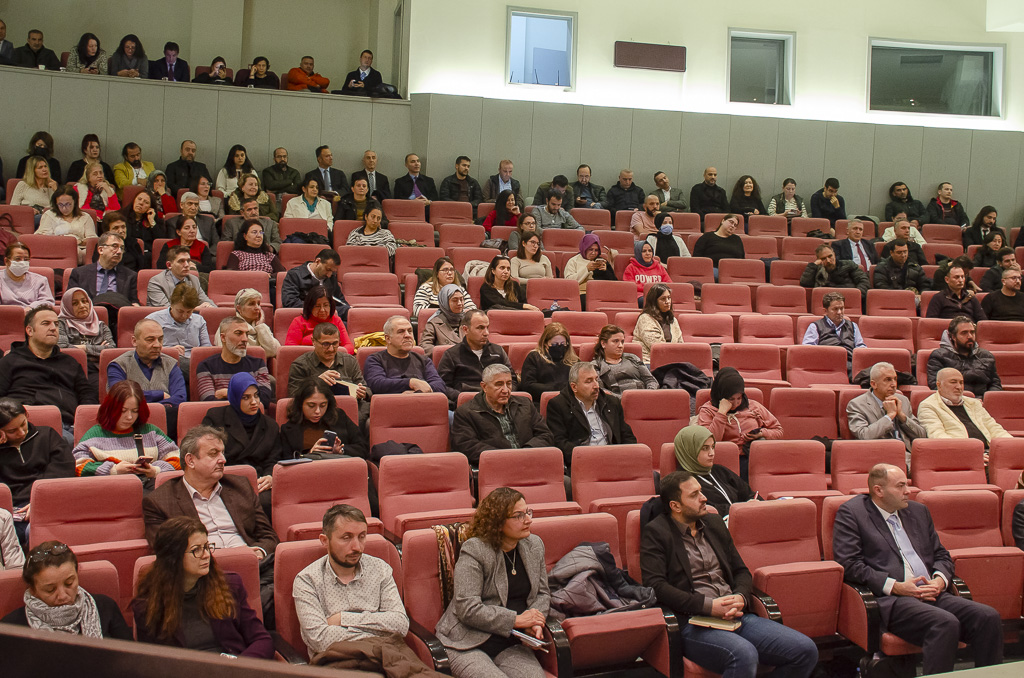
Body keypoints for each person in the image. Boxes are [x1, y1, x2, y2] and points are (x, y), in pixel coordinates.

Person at [642, 470, 819, 678]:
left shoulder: (714, 523)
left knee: (805, 650)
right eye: (694, 495)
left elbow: (741, 571)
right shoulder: (656, 533)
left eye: (701, 491)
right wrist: (709, 606)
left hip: (736, 614)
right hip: (694, 622)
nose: (704, 498)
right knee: (744, 654)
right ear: (675, 506)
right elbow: (656, 587)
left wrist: (741, 597)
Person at [832, 464, 1002, 675]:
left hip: (931, 592)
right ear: (878, 490)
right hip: (893, 600)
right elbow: (849, 564)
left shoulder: (918, 511)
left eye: (907, 484)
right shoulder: (853, 513)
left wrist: (940, 580)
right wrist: (896, 587)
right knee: (944, 623)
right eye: (901, 486)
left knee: (988, 617)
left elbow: (941, 555)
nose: (908, 491)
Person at [293, 504, 444, 675]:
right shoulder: (307, 580)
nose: (357, 547)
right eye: (346, 538)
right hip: (338, 663)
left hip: (390, 657)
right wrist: (378, 630)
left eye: (362, 536)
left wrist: (343, 619)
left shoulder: (380, 569)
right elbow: (321, 640)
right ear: (324, 540)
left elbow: (400, 624)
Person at [142, 426, 278, 613]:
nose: (223, 459)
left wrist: (259, 553)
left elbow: (268, 536)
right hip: (205, 576)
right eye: (213, 454)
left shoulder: (240, 487)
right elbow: (168, 552)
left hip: (256, 568)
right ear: (190, 460)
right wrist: (224, 558)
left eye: (222, 452)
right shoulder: (159, 502)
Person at [436, 487, 550, 678]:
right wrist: (516, 620)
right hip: (466, 642)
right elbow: (467, 608)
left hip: (511, 642)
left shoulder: (534, 545)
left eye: (528, 512)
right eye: (518, 516)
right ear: (497, 523)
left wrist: (536, 621)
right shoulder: (475, 550)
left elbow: (542, 593)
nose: (528, 520)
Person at [133, 516, 273, 658]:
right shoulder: (148, 606)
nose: (206, 555)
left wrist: (238, 667)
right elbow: (152, 664)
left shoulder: (230, 585)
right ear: (173, 557)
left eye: (207, 547)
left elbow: (262, 640)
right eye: (196, 550)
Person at [0, 306, 97, 442]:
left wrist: (81, 422)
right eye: (46, 323)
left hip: (68, 424)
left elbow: (87, 394)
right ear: (29, 330)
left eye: (56, 324)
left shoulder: (70, 362)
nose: (53, 328)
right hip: (27, 425)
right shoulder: (10, 361)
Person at [1, 541, 131, 638]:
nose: (63, 596)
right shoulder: (11, 627)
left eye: (69, 583)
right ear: (33, 590)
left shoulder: (105, 607)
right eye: (50, 590)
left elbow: (131, 663)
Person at [72, 380, 180, 484]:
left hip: (151, 489)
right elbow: (77, 466)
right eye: (123, 411)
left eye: (135, 411)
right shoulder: (94, 434)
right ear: (111, 409)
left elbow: (179, 459)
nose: (129, 417)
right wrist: (113, 470)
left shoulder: (151, 432)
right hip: (111, 491)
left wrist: (156, 471)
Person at [202, 373, 282, 512]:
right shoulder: (215, 417)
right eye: (246, 397)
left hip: (258, 481)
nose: (254, 402)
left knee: (267, 502)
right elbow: (208, 454)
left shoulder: (270, 425)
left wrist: (269, 476)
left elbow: (273, 459)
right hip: (225, 479)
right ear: (235, 397)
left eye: (256, 395)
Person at [0, 398, 75, 542]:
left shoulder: (47, 435)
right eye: (12, 431)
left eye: (23, 424)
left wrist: (40, 500)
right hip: (13, 509)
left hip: (50, 499)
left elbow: (63, 468)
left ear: (27, 414)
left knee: (36, 530)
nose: (21, 432)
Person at [451, 364, 553, 465]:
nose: (505, 390)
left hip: (531, 461)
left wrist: (526, 451)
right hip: (496, 466)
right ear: (484, 386)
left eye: (508, 384)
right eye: (499, 384)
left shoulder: (525, 404)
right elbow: (467, 446)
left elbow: (545, 435)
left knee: (565, 481)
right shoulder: (466, 412)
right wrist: (505, 457)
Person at [546, 361, 637, 470]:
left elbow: (626, 435)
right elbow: (560, 442)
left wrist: (627, 457)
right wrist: (587, 458)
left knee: (652, 476)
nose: (596, 386)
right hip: (583, 464)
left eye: (596, 379)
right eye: (589, 381)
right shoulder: (558, 405)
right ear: (574, 387)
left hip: (614, 460)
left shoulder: (611, 402)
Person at [696, 367, 783, 474]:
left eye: (739, 398)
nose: (736, 403)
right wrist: (721, 413)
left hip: (752, 458)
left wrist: (761, 433)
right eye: (731, 399)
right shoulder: (708, 410)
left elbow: (778, 430)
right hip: (724, 462)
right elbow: (709, 442)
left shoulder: (753, 406)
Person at [847, 362, 926, 468]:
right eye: (888, 380)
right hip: (881, 456)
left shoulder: (903, 400)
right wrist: (889, 416)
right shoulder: (857, 404)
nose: (893, 384)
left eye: (895, 379)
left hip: (909, 455)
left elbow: (921, 435)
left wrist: (902, 416)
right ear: (873, 384)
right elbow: (864, 436)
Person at [107, 319, 187, 417]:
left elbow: (180, 398)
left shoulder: (170, 364)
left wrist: (143, 406)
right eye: (150, 340)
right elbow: (121, 396)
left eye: (160, 339)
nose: (157, 345)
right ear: (134, 341)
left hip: (166, 419)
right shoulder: (118, 365)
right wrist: (159, 395)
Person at [438, 310, 517, 409]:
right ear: (465, 330)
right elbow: (442, 386)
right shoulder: (451, 355)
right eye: (480, 328)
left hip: (498, 403)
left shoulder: (498, 351)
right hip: (467, 405)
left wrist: (502, 394)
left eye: (487, 327)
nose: (486, 333)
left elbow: (513, 380)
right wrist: (461, 397)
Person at [672, 426, 755, 518]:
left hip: (743, 519)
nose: (712, 453)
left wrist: (755, 503)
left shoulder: (719, 470)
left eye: (712, 447)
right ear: (689, 450)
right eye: (705, 448)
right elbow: (701, 510)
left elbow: (749, 494)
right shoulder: (680, 481)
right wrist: (742, 508)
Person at [287, 322, 369, 412]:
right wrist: (317, 383)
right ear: (313, 341)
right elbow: (294, 397)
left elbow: (366, 389)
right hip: (317, 412)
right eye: (325, 344)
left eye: (335, 343)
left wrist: (363, 393)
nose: (331, 349)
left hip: (348, 410)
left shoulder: (350, 361)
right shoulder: (300, 365)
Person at [918, 368, 1011, 447]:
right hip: (960, 454)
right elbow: (938, 437)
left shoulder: (973, 403)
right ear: (939, 385)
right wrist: (972, 453)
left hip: (989, 451)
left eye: (961, 382)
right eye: (953, 382)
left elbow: (994, 428)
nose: (959, 387)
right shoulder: (928, 406)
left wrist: (1010, 445)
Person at [279, 379, 367, 460]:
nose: (318, 411)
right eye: (311, 405)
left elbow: (363, 448)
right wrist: (309, 454)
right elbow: (285, 463)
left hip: (339, 469)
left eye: (323, 405)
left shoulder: (339, 417)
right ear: (300, 404)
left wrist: (341, 450)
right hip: (307, 473)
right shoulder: (289, 429)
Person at [196, 317, 272, 406]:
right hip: (222, 419)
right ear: (223, 337)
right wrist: (250, 397)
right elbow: (209, 402)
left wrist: (228, 393)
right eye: (238, 333)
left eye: (246, 334)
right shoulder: (206, 366)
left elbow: (265, 399)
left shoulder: (258, 364)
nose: (245, 339)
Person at [364, 315, 446, 395]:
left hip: (423, 404)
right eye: (401, 332)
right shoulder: (375, 360)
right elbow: (376, 385)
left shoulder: (424, 360)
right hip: (391, 406)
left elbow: (440, 386)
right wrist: (410, 383)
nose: (407, 335)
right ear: (388, 339)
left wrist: (416, 393)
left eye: (410, 331)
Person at [926, 316, 1000, 397]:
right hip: (954, 402)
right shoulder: (939, 356)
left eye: (972, 332)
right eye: (964, 333)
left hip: (982, 403)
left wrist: (987, 400)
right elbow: (936, 386)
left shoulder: (986, 356)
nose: (970, 336)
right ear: (953, 337)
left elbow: (995, 384)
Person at [146, 285, 211, 376]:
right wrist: (169, 351)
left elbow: (206, 349)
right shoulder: (153, 320)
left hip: (193, 361)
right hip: (164, 361)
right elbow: (144, 349)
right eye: (180, 311)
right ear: (172, 305)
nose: (184, 316)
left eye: (189, 312)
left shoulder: (199, 321)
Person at [56, 287, 114, 389]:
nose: (82, 306)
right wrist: (97, 350)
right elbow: (63, 348)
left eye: (84, 301)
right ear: (67, 307)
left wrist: (83, 348)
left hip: (96, 368)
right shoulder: (61, 323)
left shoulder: (101, 326)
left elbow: (111, 350)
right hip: (70, 367)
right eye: (75, 303)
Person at [68, 231, 140, 305]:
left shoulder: (130, 276)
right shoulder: (79, 274)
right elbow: (71, 302)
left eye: (122, 248)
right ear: (101, 250)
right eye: (114, 246)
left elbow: (134, 302)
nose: (119, 251)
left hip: (117, 313)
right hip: (89, 314)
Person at [801, 291, 866, 370]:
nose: (839, 312)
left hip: (850, 364)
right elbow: (808, 350)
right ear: (825, 311)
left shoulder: (853, 326)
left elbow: (861, 348)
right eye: (835, 309)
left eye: (841, 308)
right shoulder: (815, 327)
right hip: (827, 364)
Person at [520, 322, 579, 403]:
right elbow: (527, 385)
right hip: (540, 402)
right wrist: (556, 388)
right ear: (545, 343)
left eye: (562, 344)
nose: (559, 347)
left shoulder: (574, 360)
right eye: (554, 344)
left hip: (569, 402)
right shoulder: (534, 357)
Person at [592, 324, 657, 395]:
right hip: (616, 402)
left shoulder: (632, 358)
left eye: (622, 342)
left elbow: (650, 380)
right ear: (603, 344)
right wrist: (624, 399)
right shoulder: (596, 365)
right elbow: (600, 390)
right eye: (615, 341)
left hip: (643, 397)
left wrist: (649, 394)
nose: (620, 346)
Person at [286, 285, 354, 353]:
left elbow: (348, 346)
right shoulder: (298, 322)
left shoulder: (337, 320)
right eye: (317, 306)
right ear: (310, 306)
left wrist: (332, 354)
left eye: (326, 305)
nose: (322, 310)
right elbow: (290, 349)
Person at [148, 245, 216, 308]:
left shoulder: (193, 279)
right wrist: (196, 309)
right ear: (169, 265)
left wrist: (209, 307)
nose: (187, 265)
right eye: (181, 261)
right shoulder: (157, 282)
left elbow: (208, 302)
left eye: (188, 261)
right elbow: (165, 310)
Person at [221, 288, 279, 359]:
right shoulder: (227, 327)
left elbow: (274, 351)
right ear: (239, 308)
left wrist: (260, 325)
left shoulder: (262, 327)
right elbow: (237, 354)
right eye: (251, 304)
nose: (257, 308)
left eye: (258, 304)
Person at [281, 249, 346, 311]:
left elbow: (341, 303)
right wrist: (318, 308)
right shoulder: (295, 275)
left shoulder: (331, 278)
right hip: (304, 317)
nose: (329, 275)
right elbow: (290, 303)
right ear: (318, 261)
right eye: (328, 269)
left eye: (333, 272)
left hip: (329, 317)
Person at [563, 232, 617, 305]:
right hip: (581, 293)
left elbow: (614, 284)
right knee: (586, 301)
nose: (593, 253)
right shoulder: (573, 261)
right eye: (590, 249)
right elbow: (569, 282)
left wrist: (606, 272)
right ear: (584, 248)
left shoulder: (602, 261)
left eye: (596, 250)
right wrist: (587, 269)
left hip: (600, 293)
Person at [633, 283, 682, 364]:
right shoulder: (645, 318)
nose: (667, 302)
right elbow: (657, 346)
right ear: (654, 302)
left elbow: (680, 344)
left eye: (669, 298)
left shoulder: (673, 320)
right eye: (663, 299)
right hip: (649, 362)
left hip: (671, 361)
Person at [800, 243, 869, 296]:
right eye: (824, 258)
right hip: (826, 300)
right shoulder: (816, 269)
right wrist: (813, 266)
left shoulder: (849, 265)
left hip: (849, 298)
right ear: (819, 260)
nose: (828, 261)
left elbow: (864, 281)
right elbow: (805, 283)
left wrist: (855, 295)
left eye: (830, 256)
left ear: (834, 254)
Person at [0, 241, 54, 308]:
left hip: (32, 314)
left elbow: (48, 302)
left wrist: (31, 308)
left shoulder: (40, 280)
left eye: (26, 259)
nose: (22, 262)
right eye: (18, 259)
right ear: (7, 261)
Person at [419, 284, 465, 357]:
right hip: (445, 363)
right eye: (455, 300)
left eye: (461, 299)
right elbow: (425, 347)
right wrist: (445, 353)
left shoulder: (469, 320)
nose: (459, 303)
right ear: (445, 302)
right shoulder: (433, 323)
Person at [119, 188, 164, 255]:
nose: (141, 203)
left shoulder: (157, 222)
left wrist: (152, 221)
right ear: (134, 200)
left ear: (150, 207)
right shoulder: (120, 217)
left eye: (146, 202)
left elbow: (160, 243)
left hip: (146, 255)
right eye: (139, 199)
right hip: (126, 253)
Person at [10, 156, 57, 221]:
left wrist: (56, 191)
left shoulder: (51, 186)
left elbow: (58, 208)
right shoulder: (23, 185)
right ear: (32, 171)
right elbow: (13, 207)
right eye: (40, 167)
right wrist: (28, 210)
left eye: (45, 166)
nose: (44, 169)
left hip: (48, 218)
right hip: (29, 218)